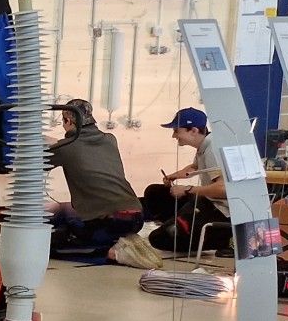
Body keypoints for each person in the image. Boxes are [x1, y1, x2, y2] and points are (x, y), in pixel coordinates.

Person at [45, 99, 151, 265]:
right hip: (137, 216)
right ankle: (120, 240)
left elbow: (41, 161)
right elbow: (80, 149)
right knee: (66, 215)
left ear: (68, 121)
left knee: (49, 246)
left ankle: (112, 253)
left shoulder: (65, 148)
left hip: (110, 221)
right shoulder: (110, 139)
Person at [144, 107, 232, 254]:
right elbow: (195, 167)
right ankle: (177, 223)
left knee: (158, 239)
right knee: (154, 192)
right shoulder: (205, 144)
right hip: (208, 201)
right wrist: (174, 176)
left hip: (222, 211)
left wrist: (188, 190)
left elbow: (223, 189)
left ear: (193, 130)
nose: (174, 136)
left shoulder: (213, 149)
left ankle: (228, 239)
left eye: (176, 131)